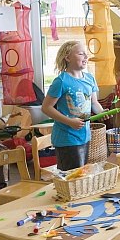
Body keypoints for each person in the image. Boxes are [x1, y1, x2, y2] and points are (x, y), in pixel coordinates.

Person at [42, 40, 104, 170]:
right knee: (71, 178)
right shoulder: (61, 81)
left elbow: (94, 103)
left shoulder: (89, 78)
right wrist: (69, 121)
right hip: (66, 138)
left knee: (81, 174)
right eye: (81, 54)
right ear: (68, 57)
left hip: (85, 136)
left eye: (85, 54)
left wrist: (102, 113)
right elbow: (46, 108)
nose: (86, 57)